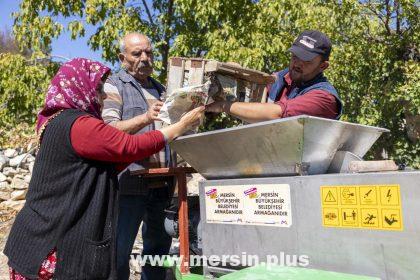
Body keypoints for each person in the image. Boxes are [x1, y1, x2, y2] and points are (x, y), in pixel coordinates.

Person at [4, 58, 204, 279]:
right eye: (98, 89)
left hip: (40, 234)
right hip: (50, 243)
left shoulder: (58, 121)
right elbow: (128, 146)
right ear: (79, 86)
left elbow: (114, 158)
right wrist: (181, 126)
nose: (103, 96)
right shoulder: (78, 124)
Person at [101, 33, 174, 279]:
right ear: (123, 58)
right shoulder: (113, 85)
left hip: (164, 183)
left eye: (149, 52)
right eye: (137, 53)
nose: (145, 58)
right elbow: (108, 130)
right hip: (129, 184)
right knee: (118, 254)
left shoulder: (162, 88)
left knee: (157, 253)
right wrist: (145, 117)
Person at [206, 30, 343, 122]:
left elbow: (276, 114)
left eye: (306, 60)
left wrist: (223, 105)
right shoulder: (283, 77)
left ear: (322, 66)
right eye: (295, 56)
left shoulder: (324, 98)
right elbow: (255, 94)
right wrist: (235, 76)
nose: (298, 63)